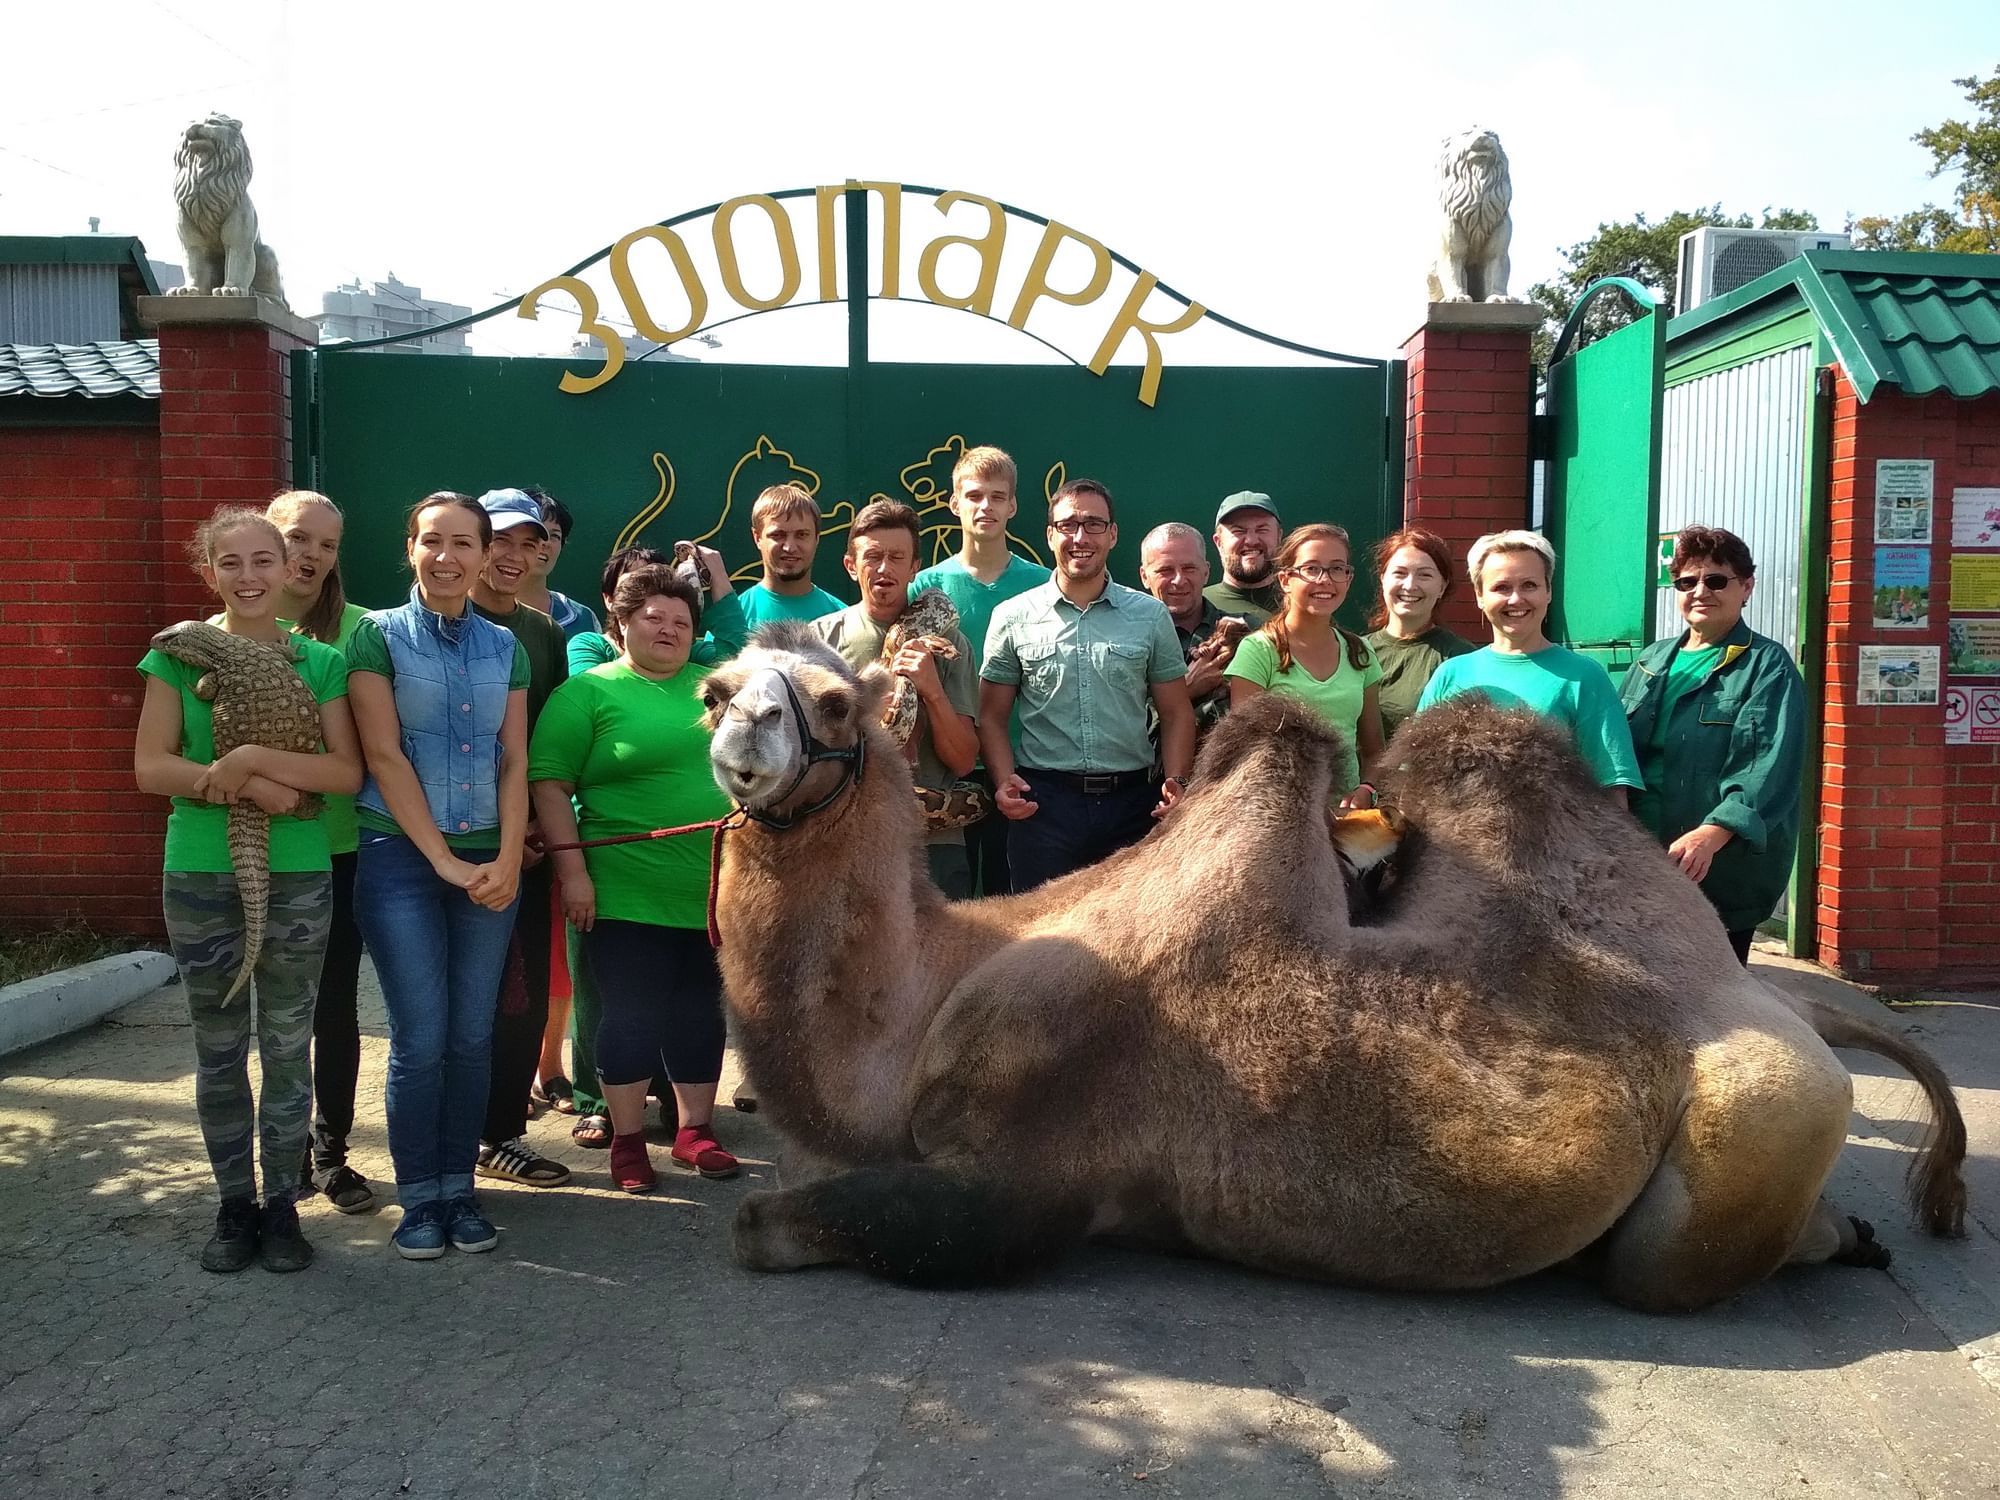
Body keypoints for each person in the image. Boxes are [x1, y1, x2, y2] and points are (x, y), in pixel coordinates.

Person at [136, 507, 363, 1273]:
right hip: (201, 870)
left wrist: (257, 761)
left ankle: (281, 1207)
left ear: (289, 563)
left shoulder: (318, 662)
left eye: (264, 560)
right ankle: (234, 1205)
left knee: (288, 1045)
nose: (250, 576)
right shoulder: (174, 657)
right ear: (210, 574)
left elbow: (343, 774)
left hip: (298, 873)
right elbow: (151, 767)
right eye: (230, 564)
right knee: (219, 1047)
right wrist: (243, 789)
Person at [347, 491, 530, 1260]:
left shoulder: (506, 647)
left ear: (484, 554)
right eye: (431, 541)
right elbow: (384, 757)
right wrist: (445, 860)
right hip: (400, 860)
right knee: (420, 1039)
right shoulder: (376, 638)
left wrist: (511, 858)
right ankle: (418, 1199)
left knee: (471, 1036)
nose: (447, 557)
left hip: (491, 861)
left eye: (463, 543)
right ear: (410, 548)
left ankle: (460, 1189)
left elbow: (515, 759)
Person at [530, 566, 738, 1192]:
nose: (670, 629)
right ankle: (625, 1141)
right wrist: (573, 874)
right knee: (629, 1016)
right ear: (621, 623)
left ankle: (695, 1132)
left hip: (713, 889)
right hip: (621, 888)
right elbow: (548, 782)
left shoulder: (717, 690)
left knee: (701, 1012)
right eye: (655, 618)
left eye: (682, 621)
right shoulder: (588, 694)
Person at [980, 479, 1195, 892]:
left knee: (1132, 939)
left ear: (1113, 534)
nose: (1081, 537)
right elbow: (990, 716)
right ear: (1049, 535)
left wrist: (1178, 781)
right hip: (1042, 807)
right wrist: (1004, 778)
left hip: (1133, 806)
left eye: (1094, 524)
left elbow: (1175, 712)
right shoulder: (1012, 617)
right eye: (1068, 525)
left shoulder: (1149, 616)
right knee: (1041, 938)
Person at [1619, 526, 1807, 964]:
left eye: (1717, 580)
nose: (1700, 591)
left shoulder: (1766, 666)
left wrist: (1711, 834)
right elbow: (1616, 753)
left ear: (1747, 587)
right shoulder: (1651, 660)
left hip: (1717, 865)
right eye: (1687, 581)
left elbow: (1767, 766)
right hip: (1644, 858)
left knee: (1713, 1000)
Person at [265, 489, 376, 1216]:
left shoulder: (360, 632)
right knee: (276, 1013)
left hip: (340, 848)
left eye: (326, 545)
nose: (311, 556)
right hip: (250, 851)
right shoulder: (225, 630)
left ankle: (331, 1151)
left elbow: (371, 750)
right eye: (298, 538)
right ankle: (282, 1151)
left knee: (334, 1010)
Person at [465, 487, 572, 1190]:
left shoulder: (544, 635)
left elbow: (549, 749)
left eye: (525, 544)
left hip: (525, 845)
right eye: (498, 541)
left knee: (521, 996)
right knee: (454, 1000)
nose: (511, 557)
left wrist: (533, 828)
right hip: (446, 843)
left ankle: (501, 1133)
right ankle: (450, 1134)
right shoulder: (422, 627)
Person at [813, 501, 981, 897]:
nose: (884, 568)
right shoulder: (819, 642)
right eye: (872, 556)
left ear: (915, 567)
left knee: (946, 957)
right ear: (851, 565)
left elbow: (962, 760)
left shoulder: (950, 645)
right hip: (846, 839)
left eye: (896, 557)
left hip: (934, 846)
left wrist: (932, 691)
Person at [911, 444, 1049, 897]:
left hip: (1025, 764)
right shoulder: (925, 587)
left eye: (996, 495)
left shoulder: (1044, 585)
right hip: (951, 769)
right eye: (973, 496)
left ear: (1013, 505)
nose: (985, 506)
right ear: (954, 504)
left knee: (1016, 900)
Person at [1418, 530, 1643, 803]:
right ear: (1479, 595)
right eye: (1501, 587)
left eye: (1529, 585)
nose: (1515, 599)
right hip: (1458, 842)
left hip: (1556, 842)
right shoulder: (1450, 675)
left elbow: (1612, 789)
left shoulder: (1583, 677)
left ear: (1548, 591)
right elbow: (1415, 776)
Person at [1225, 524, 1385, 803]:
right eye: (1312, 569)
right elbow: (1243, 753)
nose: (1325, 580)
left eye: (1337, 569)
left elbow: (1374, 750)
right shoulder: (1257, 651)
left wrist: (1367, 790)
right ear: (1286, 579)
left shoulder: (1361, 652)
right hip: (1278, 819)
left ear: (1348, 579)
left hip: (1345, 825)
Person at [1365, 526, 1476, 740]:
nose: (1410, 585)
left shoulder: (1459, 658)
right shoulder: (1353, 651)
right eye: (1400, 573)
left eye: (1424, 575)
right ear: (1383, 578)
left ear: (1442, 587)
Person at [1137, 521, 1241, 737]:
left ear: (1206, 572)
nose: (1179, 580)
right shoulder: (1124, 640)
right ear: (1144, 576)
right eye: (1165, 570)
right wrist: (1186, 688)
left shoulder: (1242, 634)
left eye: (1189, 568)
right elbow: (1116, 727)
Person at [737, 483, 844, 630]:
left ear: (816, 539)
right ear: (757, 538)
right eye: (778, 535)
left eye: (802, 535)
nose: (790, 547)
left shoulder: (843, 618)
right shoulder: (736, 617)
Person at [518, 486, 601, 639]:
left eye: (554, 536)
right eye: (536, 532)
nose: (545, 542)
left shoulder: (583, 618)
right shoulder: (467, 613)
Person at [1205, 491, 1284, 625]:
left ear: (1279, 537)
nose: (1251, 540)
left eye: (1262, 529)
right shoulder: (1197, 606)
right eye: (1238, 531)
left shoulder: (1303, 605)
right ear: (1219, 542)